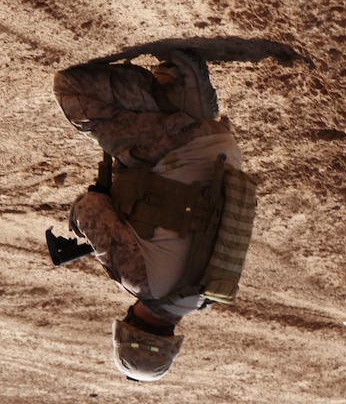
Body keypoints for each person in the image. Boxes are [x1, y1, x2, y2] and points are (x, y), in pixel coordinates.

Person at [50, 50, 256, 382]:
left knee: (142, 174)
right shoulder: (138, 281)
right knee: (72, 91)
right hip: (184, 143)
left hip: (222, 152)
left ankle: (182, 103)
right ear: (128, 327)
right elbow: (90, 209)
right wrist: (77, 220)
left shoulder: (203, 294)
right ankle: (179, 91)